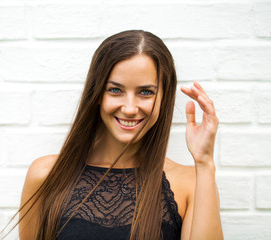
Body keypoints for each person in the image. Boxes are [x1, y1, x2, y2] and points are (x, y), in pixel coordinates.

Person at [18, 30, 223, 240]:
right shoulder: (45, 175)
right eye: (115, 90)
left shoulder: (191, 183)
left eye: (145, 92)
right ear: (97, 93)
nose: (130, 108)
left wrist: (205, 161)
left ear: (164, 97)